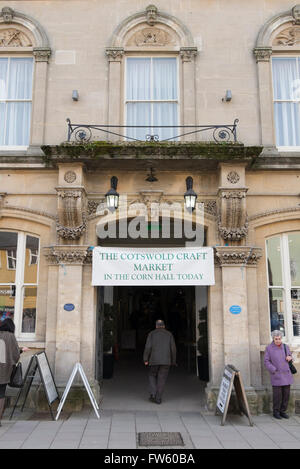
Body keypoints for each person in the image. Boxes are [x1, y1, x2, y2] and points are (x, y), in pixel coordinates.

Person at [0, 318, 29, 426]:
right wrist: (21, 351)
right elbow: (15, 355)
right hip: (3, 371)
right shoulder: (11, 337)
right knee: (1, 394)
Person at [143, 319, 176, 404]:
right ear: (164, 326)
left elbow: (148, 347)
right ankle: (158, 398)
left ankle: (153, 394)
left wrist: (145, 359)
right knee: (162, 379)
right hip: (166, 361)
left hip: (154, 360)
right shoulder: (169, 334)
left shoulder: (151, 334)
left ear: (156, 326)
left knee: (152, 375)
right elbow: (173, 349)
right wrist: (173, 360)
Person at [264, 330, 294, 419]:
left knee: (286, 395)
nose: (278, 340)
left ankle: (283, 411)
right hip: (276, 375)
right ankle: (276, 412)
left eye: (279, 339)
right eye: (276, 339)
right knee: (277, 396)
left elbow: (290, 357)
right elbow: (266, 361)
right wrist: (274, 370)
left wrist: (290, 357)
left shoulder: (285, 346)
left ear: (281, 339)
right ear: (273, 339)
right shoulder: (269, 348)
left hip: (286, 374)